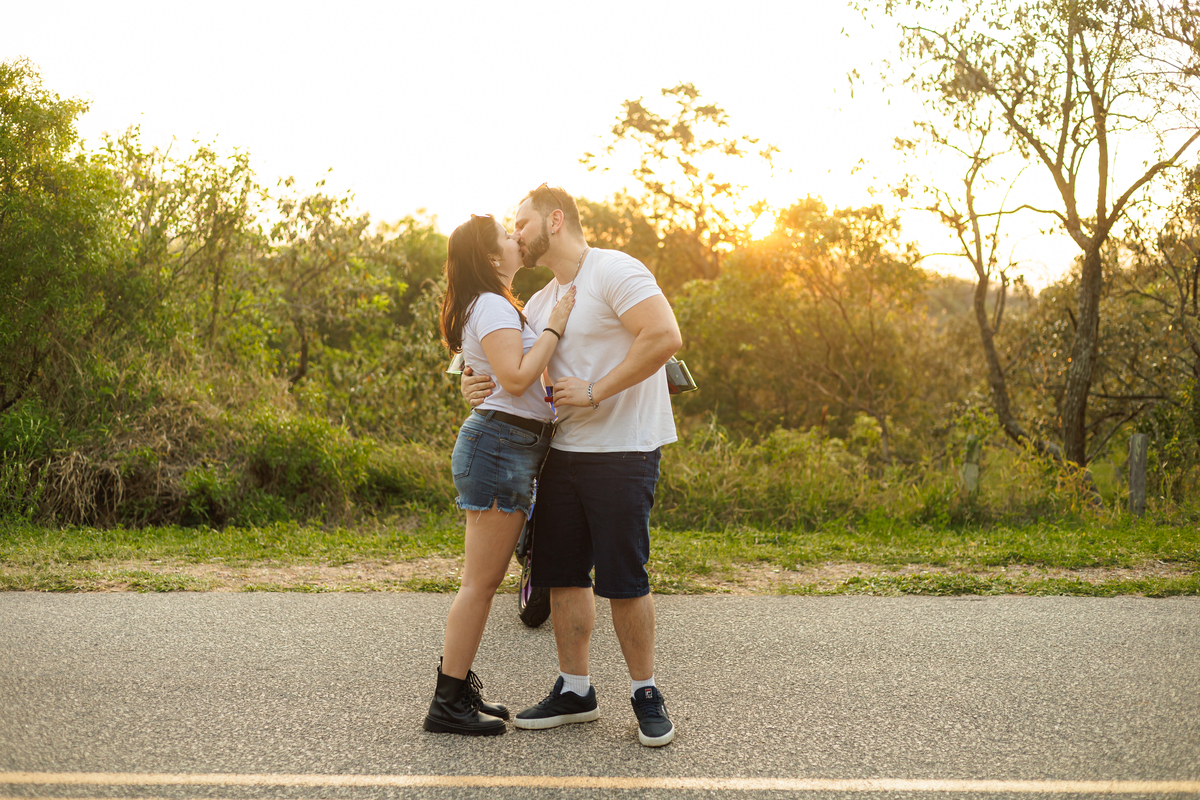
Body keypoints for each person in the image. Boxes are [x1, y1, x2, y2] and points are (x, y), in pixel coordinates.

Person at [461, 184, 682, 746]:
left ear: (555, 220)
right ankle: (575, 688)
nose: (515, 235)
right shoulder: (539, 302)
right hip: (561, 454)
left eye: (522, 223)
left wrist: (598, 390)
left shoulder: (615, 271)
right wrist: (471, 381)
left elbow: (664, 336)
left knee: (624, 580)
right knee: (561, 575)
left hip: (625, 450)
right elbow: (514, 366)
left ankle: (645, 691)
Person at [424, 213, 576, 736]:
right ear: (493, 258)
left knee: (482, 583)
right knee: (480, 584)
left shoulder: (497, 304)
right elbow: (513, 377)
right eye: (508, 238)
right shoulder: (491, 303)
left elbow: (494, 369)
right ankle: (447, 701)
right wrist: (556, 323)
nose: (517, 241)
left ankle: (456, 688)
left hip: (508, 444)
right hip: (499, 446)